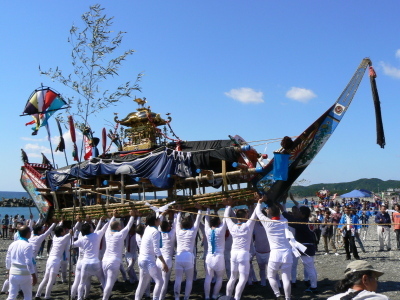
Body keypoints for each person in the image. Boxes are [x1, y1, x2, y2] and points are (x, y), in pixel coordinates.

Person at [255, 195, 292, 300]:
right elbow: (282, 213)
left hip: (275, 253)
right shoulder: (284, 221)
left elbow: (258, 213)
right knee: (286, 278)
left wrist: (259, 202)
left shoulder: (268, 223)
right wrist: (279, 206)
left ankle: (277, 294)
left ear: (269, 213)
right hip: (286, 252)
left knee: (271, 276)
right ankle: (288, 298)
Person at [73, 215, 113, 300]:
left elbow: (71, 245)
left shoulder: (82, 239)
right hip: (95, 263)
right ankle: (107, 296)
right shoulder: (97, 235)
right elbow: (105, 227)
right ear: (90, 229)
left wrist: (70, 235)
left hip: (85, 263)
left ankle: (79, 298)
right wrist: (110, 218)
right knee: (102, 280)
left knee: (82, 283)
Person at [225, 198, 258, 300]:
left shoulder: (233, 226)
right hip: (243, 254)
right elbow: (255, 214)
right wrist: (259, 203)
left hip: (234, 253)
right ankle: (236, 298)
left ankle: (228, 297)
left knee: (232, 277)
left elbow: (226, 217)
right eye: (246, 215)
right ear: (244, 216)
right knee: (243, 278)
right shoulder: (248, 225)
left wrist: (229, 206)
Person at [102, 210, 135, 300]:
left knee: (106, 281)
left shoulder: (107, 233)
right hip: (114, 261)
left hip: (104, 260)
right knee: (110, 282)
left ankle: (106, 296)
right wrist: (132, 216)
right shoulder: (120, 235)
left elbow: (109, 225)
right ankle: (105, 298)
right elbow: (128, 226)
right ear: (118, 227)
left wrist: (113, 216)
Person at [135, 212, 169, 300]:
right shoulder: (155, 231)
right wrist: (164, 263)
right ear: (155, 221)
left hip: (141, 259)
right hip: (148, 260)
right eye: (158, 219)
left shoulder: (147, 228)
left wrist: (163, 213)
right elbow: (157, 250)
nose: (160, 220)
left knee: (142, 283)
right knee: (160, 281)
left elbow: (156, 219)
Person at [35, 226, 73, 300]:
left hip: (50, 259)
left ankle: (38, 294)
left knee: (45, 278)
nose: (65, 231)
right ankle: (47, 296)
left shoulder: (55, 237)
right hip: (55, 261)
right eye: (63, 230)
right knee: (51, 280)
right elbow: (70, 233)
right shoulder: (63, 239)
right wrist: (71, 231)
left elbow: (61, 232)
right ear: (61, 232)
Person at [174, 204, 202, 300]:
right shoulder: (192, 231)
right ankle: (186, 297)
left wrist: (179, 211)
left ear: (182, 225)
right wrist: (199, 210)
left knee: (178, 279)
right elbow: (197, 221)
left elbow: (177, 222)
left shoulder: (178, 231)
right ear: (190, 225)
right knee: (189, 280)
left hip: (179, 256)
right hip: (188, 256)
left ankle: (177, 297)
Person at [203, 205, 229, 300]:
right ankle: (214, 295)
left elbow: (206, 220)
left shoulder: (207, 230)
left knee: (208, 277)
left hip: (209, 257)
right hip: (219, 257)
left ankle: (206, 297)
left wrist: (208, 209)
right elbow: (225, 219)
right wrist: (227, 206)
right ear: (218, 222)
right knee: (219, 278)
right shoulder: (221, 230)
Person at [5, 225, 37, 300]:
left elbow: (7, 259)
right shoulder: (28, 245)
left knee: (11, 296)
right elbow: (29, 262)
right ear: (28, 233)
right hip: (24, 274)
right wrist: (34, 275)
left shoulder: (12, 244)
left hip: (13, 273)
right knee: (27, 295)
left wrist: (8, 271)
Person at [157, 211, 177, 299]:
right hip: (166, 260)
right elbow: (176, 224)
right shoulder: (172, 234)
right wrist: (176, 214)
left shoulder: (159, 232)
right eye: (169, 226)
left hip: (158, 259)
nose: (171, 226)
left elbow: (158, 223)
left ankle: (156, 297)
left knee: (158, 281)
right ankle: (161, 298)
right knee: (164, 282)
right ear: (168, 227)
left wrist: (162, 214)